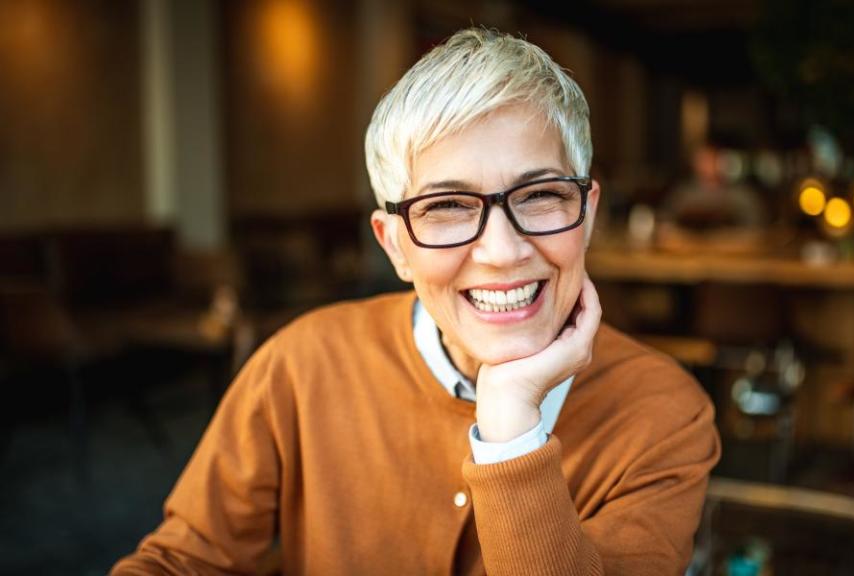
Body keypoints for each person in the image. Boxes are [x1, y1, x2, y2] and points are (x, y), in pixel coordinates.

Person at [112, 28, 719, 575]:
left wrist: (510, 424)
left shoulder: (664, 414)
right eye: (448, 207)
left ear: (586, 216)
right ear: (395, 246)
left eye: (539, 195)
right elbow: (181, 561)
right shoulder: (301, 365)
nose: (502, 251)